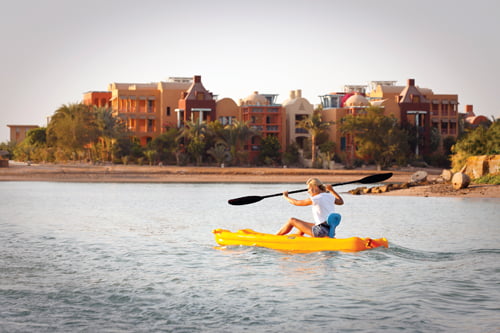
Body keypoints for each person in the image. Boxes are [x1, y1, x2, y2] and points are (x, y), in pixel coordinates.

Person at [276, 178, 344, 238]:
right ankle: (296, 239)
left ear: (315, 187)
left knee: (292, 220)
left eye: (309, 188)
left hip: (320, 232)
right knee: (302, 226)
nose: (308, 191)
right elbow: (341, 202)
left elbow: (296, 202)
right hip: (329, 230)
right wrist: (332, 190)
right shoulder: (329, 196)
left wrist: (286, 197)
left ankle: (275, 237)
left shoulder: (315, 198)